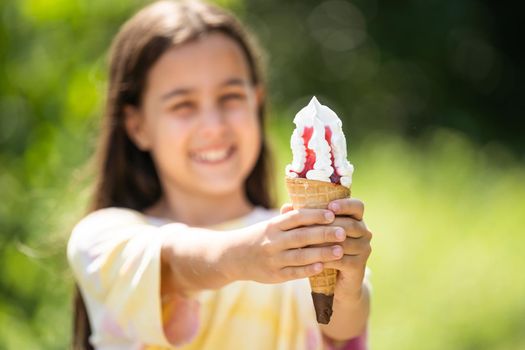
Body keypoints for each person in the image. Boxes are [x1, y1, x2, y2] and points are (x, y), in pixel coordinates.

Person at [67, 1, 372, 349]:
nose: (213, 126)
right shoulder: (103, 237)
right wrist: (241, 257)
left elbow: (344, 329)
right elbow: (170, 263)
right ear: (137, 126)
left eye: (230, 97)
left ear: (256, 103)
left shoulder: (301, 240)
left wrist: (347, 284)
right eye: (183, 105)